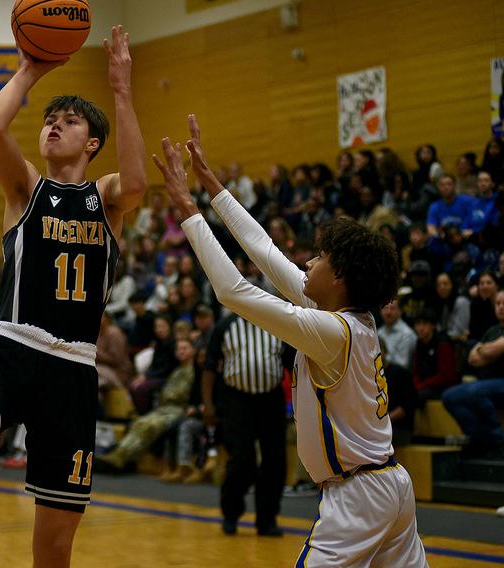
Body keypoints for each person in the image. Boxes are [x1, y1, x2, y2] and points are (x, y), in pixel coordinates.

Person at [153, 115, 426, 567]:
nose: (308, 261)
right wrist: (212, 184)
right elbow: (263, 250)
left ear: (338, 277)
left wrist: (187, 208)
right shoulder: (345, 318)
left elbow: (233, 291)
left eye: (319, 257)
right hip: (390, 485)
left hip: (359, 496)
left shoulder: (330, 331)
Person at [0, 25, 147, 568]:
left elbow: (140, 183)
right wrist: (32, 67)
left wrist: (121, 91)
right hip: (11, 346)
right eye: (50, 119)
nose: (54, 125)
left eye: (69, 121)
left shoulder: (108, 199)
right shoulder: (26, 188)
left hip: (73, 368)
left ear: (92, 143)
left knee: (54, 551)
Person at [202, 313, 285, 537]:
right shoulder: (224, 326)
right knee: (241, 459)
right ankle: (231, 513)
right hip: (236, 400)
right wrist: (208, 404)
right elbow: (209, 366)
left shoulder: (277, 322)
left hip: (271, 400)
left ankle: (267, 520)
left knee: (274, 460)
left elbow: (294, 365)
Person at [94, 338, 196, 472]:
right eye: (179, 349)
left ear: (193, 350)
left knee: (148, 425)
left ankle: (121, 456)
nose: (181, 351)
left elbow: (181, 395)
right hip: (164, 407)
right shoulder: (176, 370)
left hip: (179, 408)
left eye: (185, 348)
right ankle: (123, 457)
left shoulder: (195, 371)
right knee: (138, 422)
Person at [442, 290, 504, 459]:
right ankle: (481, 438)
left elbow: (485, 354)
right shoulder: (493, 331)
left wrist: (484, 351)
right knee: (449, 397)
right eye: (498, 303)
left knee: (476, 392)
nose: (500, 307)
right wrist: (490, 350)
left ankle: (498, 441)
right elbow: (473, 358)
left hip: (498, 383)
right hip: (486, 381)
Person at [412, 308, 457, 403]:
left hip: (442, 388)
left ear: (432, 326)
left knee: (415, 397)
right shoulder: (419, 343)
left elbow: (445, 377)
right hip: (425, 385)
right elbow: (416, 371)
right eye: (418, 324)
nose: (421, 328)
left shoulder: (442, 344)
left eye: (424, 324)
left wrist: (421, 385)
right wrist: (415, 385)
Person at [377, 299, 417, 370]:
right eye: (385, 308)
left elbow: (403, 364)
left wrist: (383, 357)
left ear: (400, 311)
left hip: (399, 377)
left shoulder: (407, 334)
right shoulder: (379, 332)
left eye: (392, 308)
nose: (388, 312)